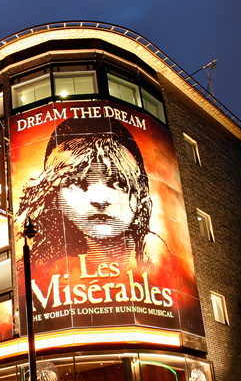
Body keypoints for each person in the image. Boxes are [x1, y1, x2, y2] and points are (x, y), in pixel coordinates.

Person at [16, 116, 171, 275]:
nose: (100, 200)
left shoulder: (163, 265)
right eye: (79, 183)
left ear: (140, 195)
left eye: (118, 183)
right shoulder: (39, 269)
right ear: (55, 194)